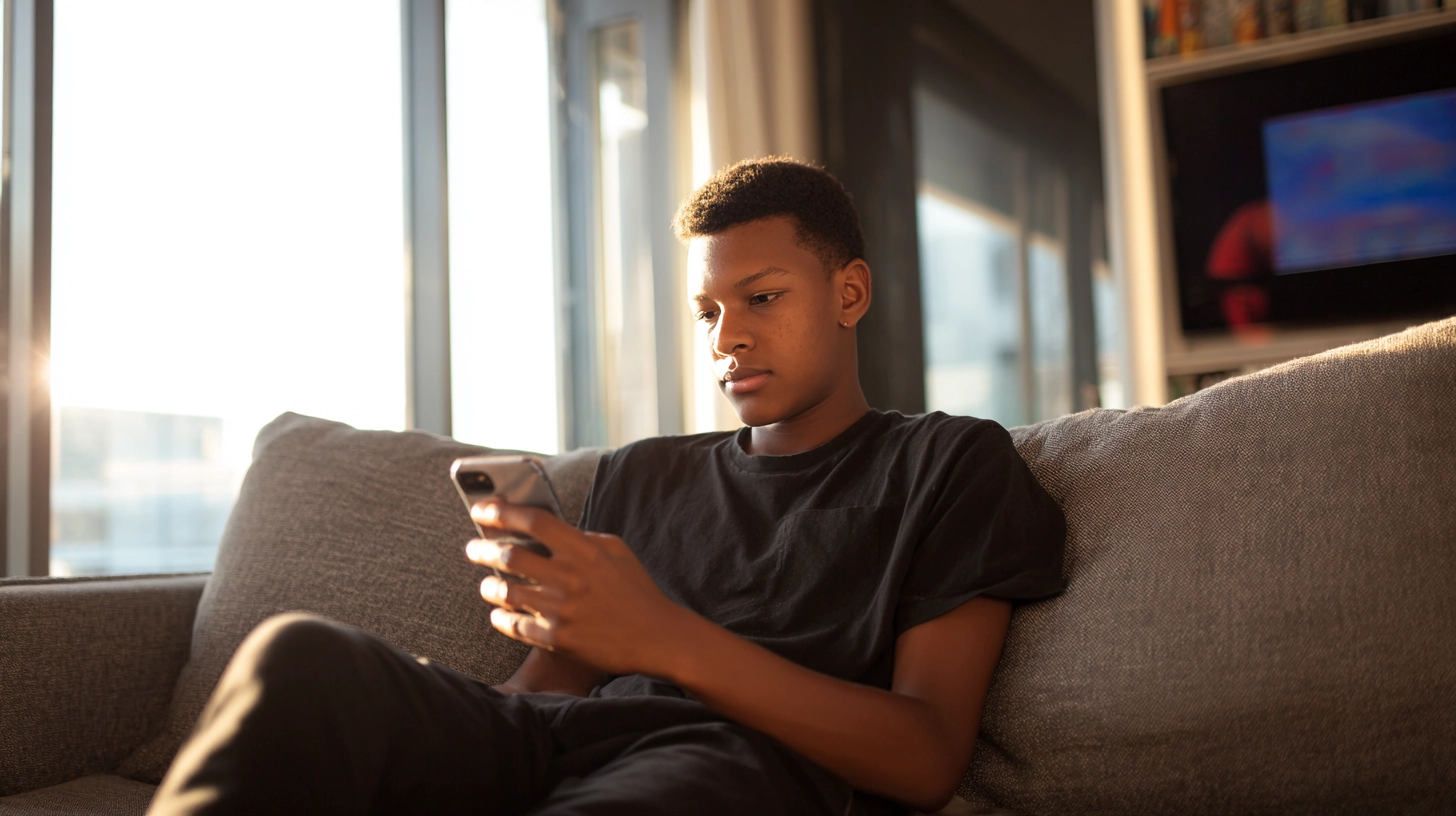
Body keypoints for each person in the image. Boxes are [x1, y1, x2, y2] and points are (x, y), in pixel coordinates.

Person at [147, 158, 1066, 816]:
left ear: (849, 293)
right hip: (552, 741)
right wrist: (450, 694)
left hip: (739, 772)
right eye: (708, 311)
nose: (726, 338)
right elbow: (549, 688)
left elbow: (925, 756)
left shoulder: (948, 464)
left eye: (763, 297)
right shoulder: (644, 472)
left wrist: (664, 637)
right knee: (303, 657)